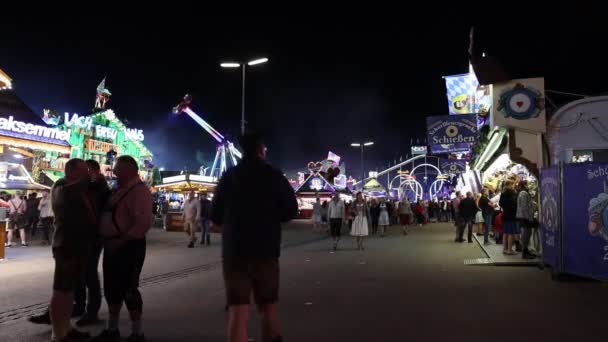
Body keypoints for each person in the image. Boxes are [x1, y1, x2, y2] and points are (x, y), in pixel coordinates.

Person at [210, 133, 298, 342]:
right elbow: (290, 210)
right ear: (260, 150)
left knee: (238, 311)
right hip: (265, 251)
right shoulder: (274, 175)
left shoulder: (229, 176)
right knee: (268, 308)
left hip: (235, 253)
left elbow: (215, 217)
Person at [93, 156, 152, 342]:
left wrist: (120, 240)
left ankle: (137, 333)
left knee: (129, 289)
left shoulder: (139, 191)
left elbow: (142, 223)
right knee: (112, 289)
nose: (114, 172)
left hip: (128, 247)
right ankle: (112, 329)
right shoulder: (118, 190)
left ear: (129, 170)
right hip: (112, 245)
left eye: (118, 169)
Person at [49, 158, 96, 342]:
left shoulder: (79, 188)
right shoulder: (62, 185)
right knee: (61, 290)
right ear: (72, 171)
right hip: (66, 244)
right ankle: (58, 334)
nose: (87, 173)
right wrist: (88, 179)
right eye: (83, 170)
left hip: (79, 245)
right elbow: (68, 196)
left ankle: (66, 328)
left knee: (69, 291)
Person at [74, 159, 110, 327]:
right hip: (83, 235)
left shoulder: (100, 187)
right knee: (79, 272)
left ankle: (92, 311)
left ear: (92, 170)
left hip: (94, 236)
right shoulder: (92, 185)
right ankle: (79, 305)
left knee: (89, 273)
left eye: (85, 171)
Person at [516, 180, 536, 259]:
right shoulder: (523, 193)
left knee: (526, 234)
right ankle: (525, 253)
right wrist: (529, 217)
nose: (528, 186)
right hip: (525, 217)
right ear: (524, 185)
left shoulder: (522, 193)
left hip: (524, 216)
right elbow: (524, 207)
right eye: (527, 184)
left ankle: (526, 251)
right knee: (526, 235)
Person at [499, 181, 519, 255]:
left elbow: (500, 203)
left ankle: (505, 249)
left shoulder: (503, 193)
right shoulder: (512, 193)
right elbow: (514, 204)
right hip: (511, 215)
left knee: (505, 233)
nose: (513, 186)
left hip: (505, 215)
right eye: (512, 184)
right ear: (509, 185)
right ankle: (510, 250)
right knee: (511, 233)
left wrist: (505, 207)